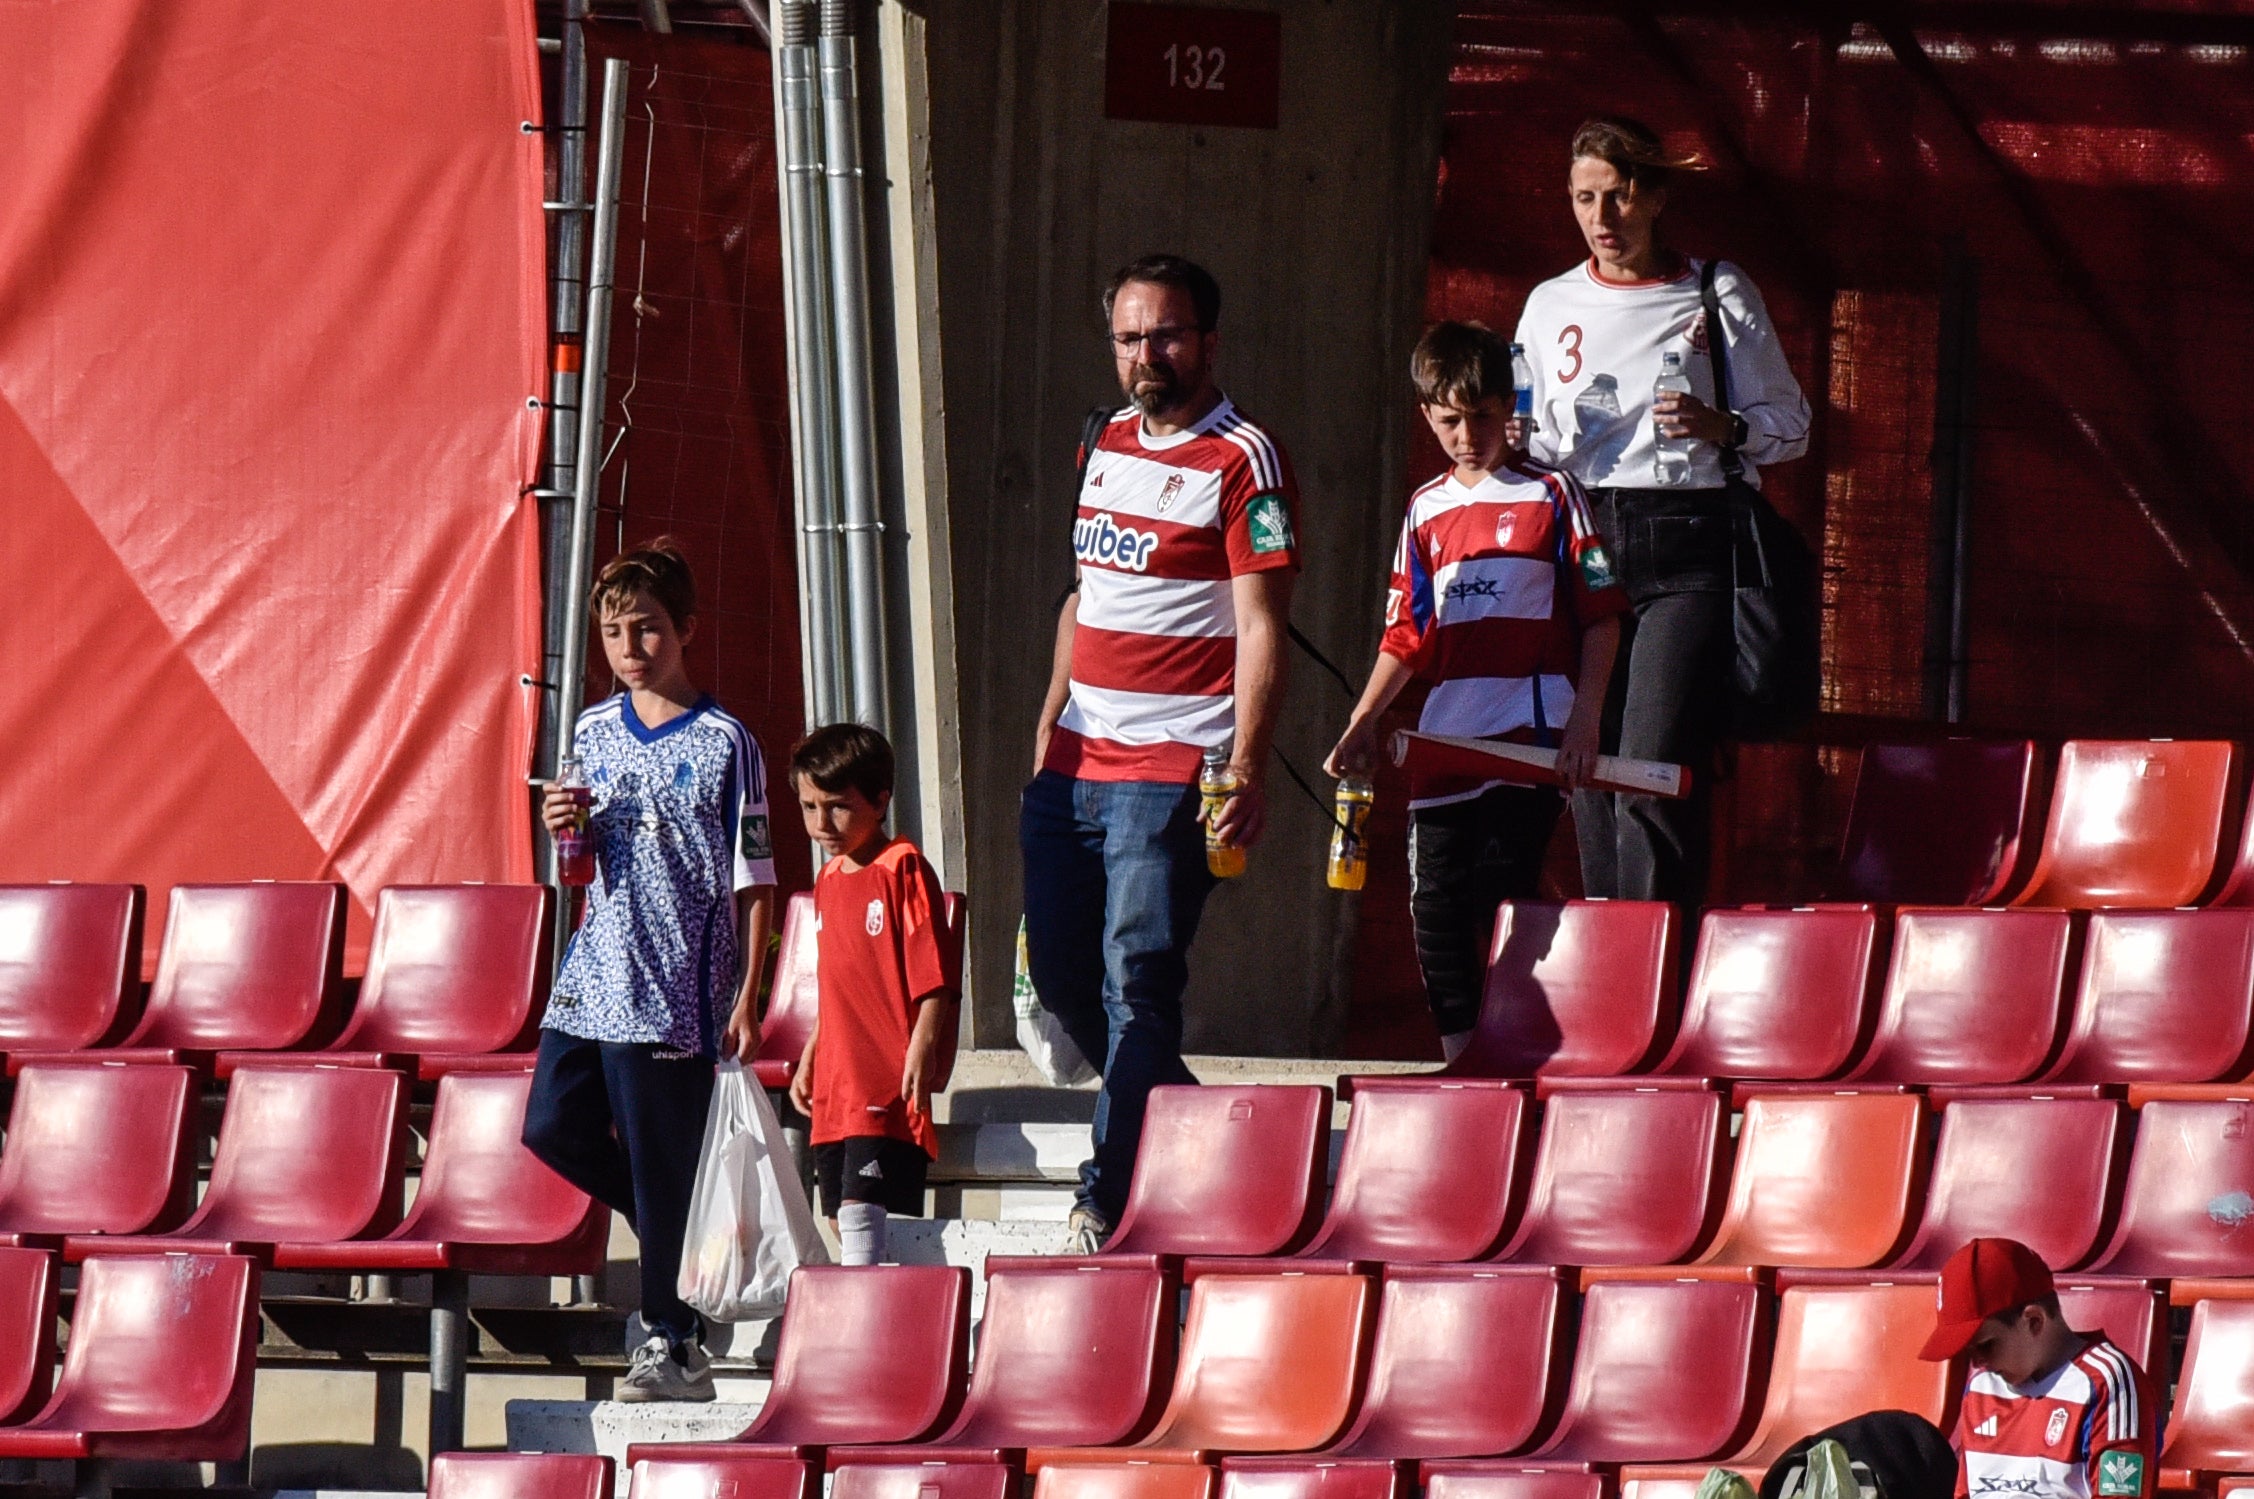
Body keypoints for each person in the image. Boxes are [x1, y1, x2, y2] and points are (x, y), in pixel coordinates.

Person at [1023, 253, 1301, 1253]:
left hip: (1172, 768)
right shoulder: (1102, 440)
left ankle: (1104, 1196)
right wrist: (1049, 718)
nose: (1147, 355)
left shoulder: (1245, 460)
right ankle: (1194, 1121)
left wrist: (1251, 764)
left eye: (1167, 335)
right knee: (1061, 981)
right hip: (1072, 763)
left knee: (1136, 982)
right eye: (1131, 337)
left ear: (1208, 342)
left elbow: (1263, 627)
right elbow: (1082, 595)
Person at [1511, 115, 1811, 906]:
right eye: (1583, 199)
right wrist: (1515, 440)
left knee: (1650, 759)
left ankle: (1655, 963)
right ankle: (1611, 949)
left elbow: (1792, 426)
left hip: (1688, 540)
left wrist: (1722, 426)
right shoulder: (1549, 303)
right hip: (1585, 534)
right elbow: (1535, 438)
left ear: (1655, 197)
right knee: (1589, 763)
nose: (1601, 220)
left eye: (1617, 197)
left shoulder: (1715, 287)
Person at [1325, 320, 1624, 1059]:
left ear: (1508, 406)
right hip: (1444, 739)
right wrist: (1364, 718)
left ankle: (1524, 1053)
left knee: (1502, 893)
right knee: (1435, 908)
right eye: (1450, 419)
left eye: (1483, 416)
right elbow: (1406, 634)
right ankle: (1466, 1062)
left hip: (1530, 735)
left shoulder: (1554, 492)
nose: (1467, 435)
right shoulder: (1424, 509)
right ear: (1427, 414)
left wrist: (1584, 724)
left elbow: (1603, 616)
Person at [523, 539, 777, 1403]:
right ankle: (672, 1225)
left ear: (687, 630)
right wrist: (565, 824)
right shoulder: (592, 729)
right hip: (593, 971)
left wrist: (748, 989)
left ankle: (675, 1343)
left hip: (674, 986)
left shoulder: (726, 742)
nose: (631, 647)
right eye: (614, 630)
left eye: (649, 629)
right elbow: (577, 866)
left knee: (665, 1158)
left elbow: (755, 877)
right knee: (551, 1124)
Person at [783, 723, 959, 1267]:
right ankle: (875, 1318)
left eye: (836, 806)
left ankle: (863, 1338)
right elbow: (839, 985)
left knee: (861, 1211)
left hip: (881, 1077)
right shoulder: (830, 879)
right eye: (809, 807)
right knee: (837, 1213)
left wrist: (923, 1046)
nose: (821, 823)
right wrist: (814, 1051)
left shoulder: (901, 866)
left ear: (881, 798)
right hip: (837, 1083)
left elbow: (936, 976)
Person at [1919, 1237, 2155, 1499]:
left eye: (1985, 1346)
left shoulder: (2106, 1380)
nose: (1976, 1363)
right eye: (1967, 1352)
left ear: (2033, 1321)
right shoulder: (1980, 1389)